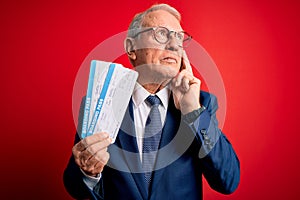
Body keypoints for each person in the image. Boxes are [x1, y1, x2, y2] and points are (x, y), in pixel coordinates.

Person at [63, 3, 240, 200]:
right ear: (131, 48)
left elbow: (228, 181)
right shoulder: (99, 103)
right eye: (162, 34)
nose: (174, 45)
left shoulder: (201, 104)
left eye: (179, 37)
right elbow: (75, 187)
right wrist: (89, 173)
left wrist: (193, 111)